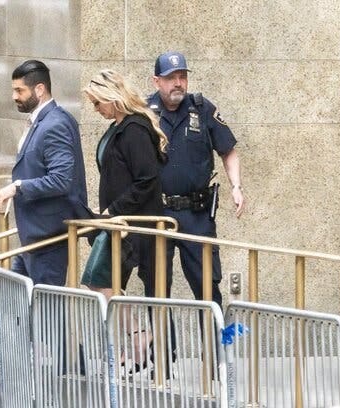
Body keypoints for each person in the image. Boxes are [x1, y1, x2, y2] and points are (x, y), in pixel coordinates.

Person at [83, 69, 168, 369]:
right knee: (100, 280)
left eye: (97, 103)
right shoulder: (118, 127)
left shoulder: (133, 128)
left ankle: (138, 337)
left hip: (131, 224)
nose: (96, 110)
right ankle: (136, 337)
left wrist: (114, 210)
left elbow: (147, 179)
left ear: (112, 97)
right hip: (117, 223)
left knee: (100, 279)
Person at [147, 51, 245, 307]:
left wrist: (236, 186)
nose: (178, 83)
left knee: (207, 291)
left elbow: (228, 150)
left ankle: (213, 347)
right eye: (171, 78)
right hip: (158, 213)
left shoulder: (202, 109)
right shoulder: (144, 113)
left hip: (197, 214)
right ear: (156, 81)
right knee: (156, 291)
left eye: (182, 77)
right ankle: (165, 348)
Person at [0, 60, 90, 286]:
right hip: (34, 237)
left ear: (39, 89)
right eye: (14, 90)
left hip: (49, 238)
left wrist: (17, 188)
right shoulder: (42, 122)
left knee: (48, 314)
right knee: (13, 304)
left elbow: (61, 179)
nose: (15, 96)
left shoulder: (55, 123)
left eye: (20, 91)